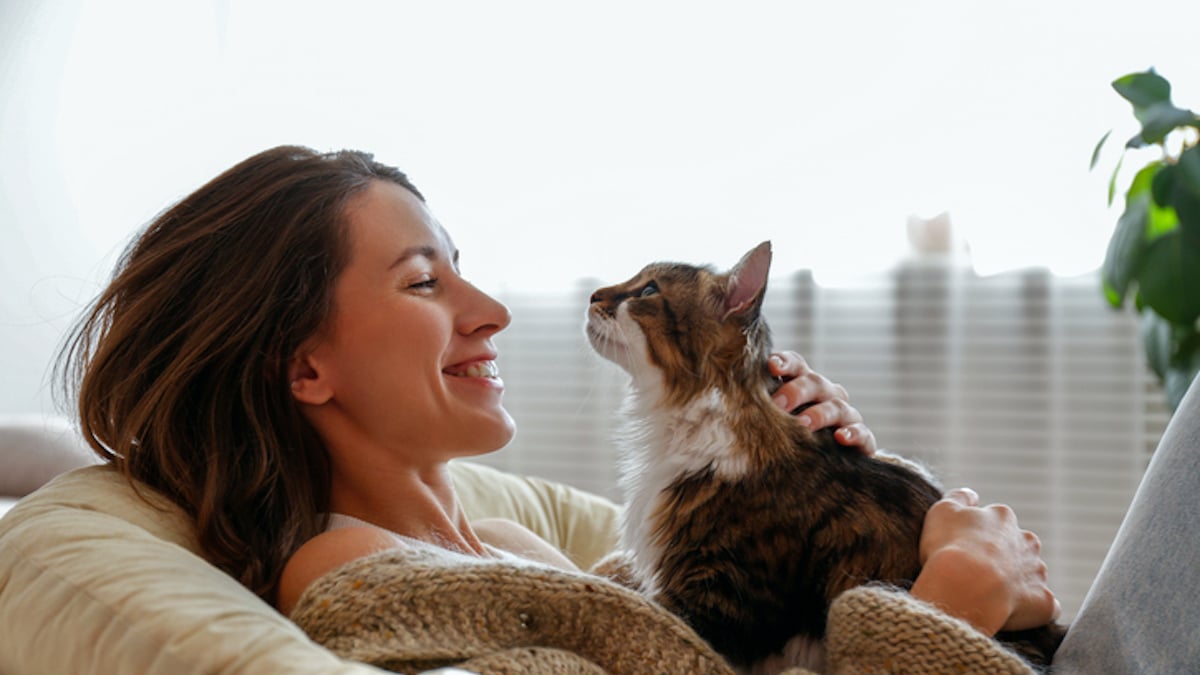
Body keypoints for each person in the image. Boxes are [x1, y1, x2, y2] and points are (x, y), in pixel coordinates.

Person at [61, 145, 1059, 669]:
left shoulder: (502, 542)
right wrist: (943, 609)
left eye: (467, 271)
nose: (491, 312)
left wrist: (819, 511)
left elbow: (702, 644)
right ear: (304, 369)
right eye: (423, 284)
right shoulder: (349, 568)